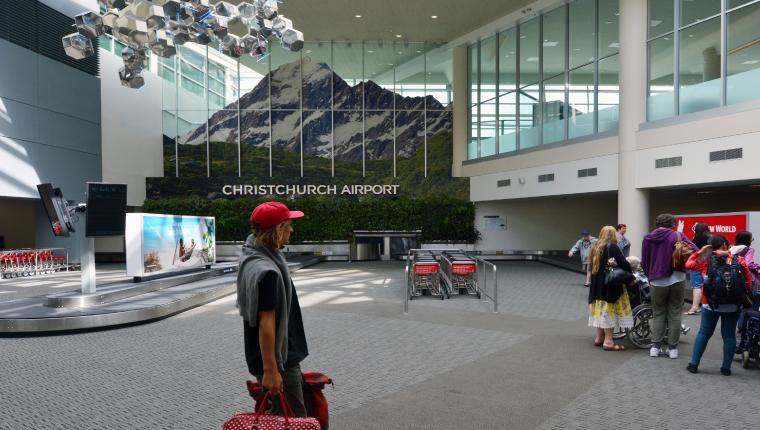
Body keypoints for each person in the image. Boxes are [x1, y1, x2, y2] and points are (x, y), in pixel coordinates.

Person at [237, 201, 309, 416]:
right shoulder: (266, 271)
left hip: (278, 358)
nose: (292, 230)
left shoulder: (254, 253)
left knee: (279, 417)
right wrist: (271, 371)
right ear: (278, 229)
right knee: (294, 419)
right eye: (288, 225)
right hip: (280, 362)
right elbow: (266, 324)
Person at [684, 235, 753, 376]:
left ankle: (694, 365)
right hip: (733, 305)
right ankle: (726, 368)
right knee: (729, 336)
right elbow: (748, 282)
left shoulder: (707, 260)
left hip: (710, 303)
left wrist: (700, 251)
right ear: (724, 245)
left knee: (704, 333)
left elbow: (688, 264)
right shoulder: (739, 260)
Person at [641, 213, 697, 359]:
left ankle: (655, 347)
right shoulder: (677, 235)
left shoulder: (648, 238)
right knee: (675, 313)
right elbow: (695, 251)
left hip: (656, 280)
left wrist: (650, 276)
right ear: (672, 224)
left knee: (658, 313)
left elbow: (645, 260)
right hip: (677, 278)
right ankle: (673, 350)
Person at [588, 226, 634, 351]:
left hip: (596, 285)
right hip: (609, 284)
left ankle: (599, 338)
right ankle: (608, 341)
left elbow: (592, 266)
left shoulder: (595, 247)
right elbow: (624, 264)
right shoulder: (612, 247)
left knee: (600, 310)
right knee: (609, 311)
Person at [685, 223, 711, 315]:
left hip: (697, 264)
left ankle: (695, 307)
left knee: (697, 285)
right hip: (707, 264)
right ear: (706, 230)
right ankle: (702, 305)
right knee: (703, 284)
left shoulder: (694, 239)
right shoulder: (709, 239)